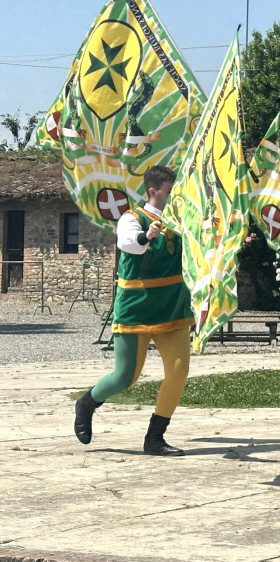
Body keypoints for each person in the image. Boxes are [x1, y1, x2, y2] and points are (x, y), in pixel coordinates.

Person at [73, 166, 193, 456]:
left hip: (172, 307)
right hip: (136, 308)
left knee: (178, 372)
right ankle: (87, 403)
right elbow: (128, 243)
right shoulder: (133, 217)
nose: (174, 195)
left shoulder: (183, 220)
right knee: (126, 376)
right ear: (153, 192)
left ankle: (154, 438)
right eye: (169, 190)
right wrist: (146, 236)